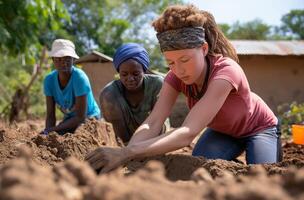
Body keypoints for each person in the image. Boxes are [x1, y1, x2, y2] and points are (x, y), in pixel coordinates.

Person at [86, 4, 282, 172]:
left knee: (262, 173)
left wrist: (126, 153)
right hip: (223, 132)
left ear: (203, 49)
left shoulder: (226, 72)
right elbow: (153, 122)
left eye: (185, 60)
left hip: (259, 128)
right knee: (200, 163)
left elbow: (188, 132)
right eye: (170, 63)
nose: (178, 70)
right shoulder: (175, 77)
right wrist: (128, 153)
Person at [100, 43, 169, 143]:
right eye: (124, 74)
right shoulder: (110, 94)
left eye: (136, 74)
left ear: (144, 71)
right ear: (119, 73)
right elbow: (119, 134)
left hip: (156, 137)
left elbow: (158, 122)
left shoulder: (157, 85)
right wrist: (129, 148)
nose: (130, 79)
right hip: (126, 141)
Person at [41, 39, 101, 135]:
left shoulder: (80, 78)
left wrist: (54, 129)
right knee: (54, 136)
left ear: (73, 60)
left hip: (89, 117)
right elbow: (50, 115)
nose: (63, 62)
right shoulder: (49, 81)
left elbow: (81, 117)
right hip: (70, 119)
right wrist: (48, 132)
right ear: (53, 59)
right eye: (59, 59)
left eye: (67, 59)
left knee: (79, 135)